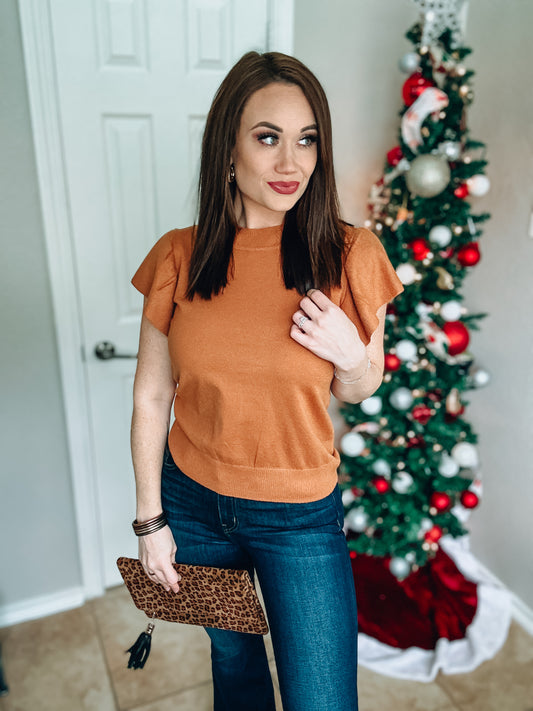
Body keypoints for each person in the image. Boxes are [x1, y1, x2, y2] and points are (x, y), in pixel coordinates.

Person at [130, 51, 403, 711]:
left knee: (322, 697)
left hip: (299, 516)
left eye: (307, 140)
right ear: (228, 148)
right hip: (193, 505)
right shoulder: (179, 255)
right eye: (267, 137)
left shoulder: (351, 254)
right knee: (235, 669)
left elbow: (358, 387)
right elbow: (152, 395)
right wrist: (150, 520)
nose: (291, 162)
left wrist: (349, 355)